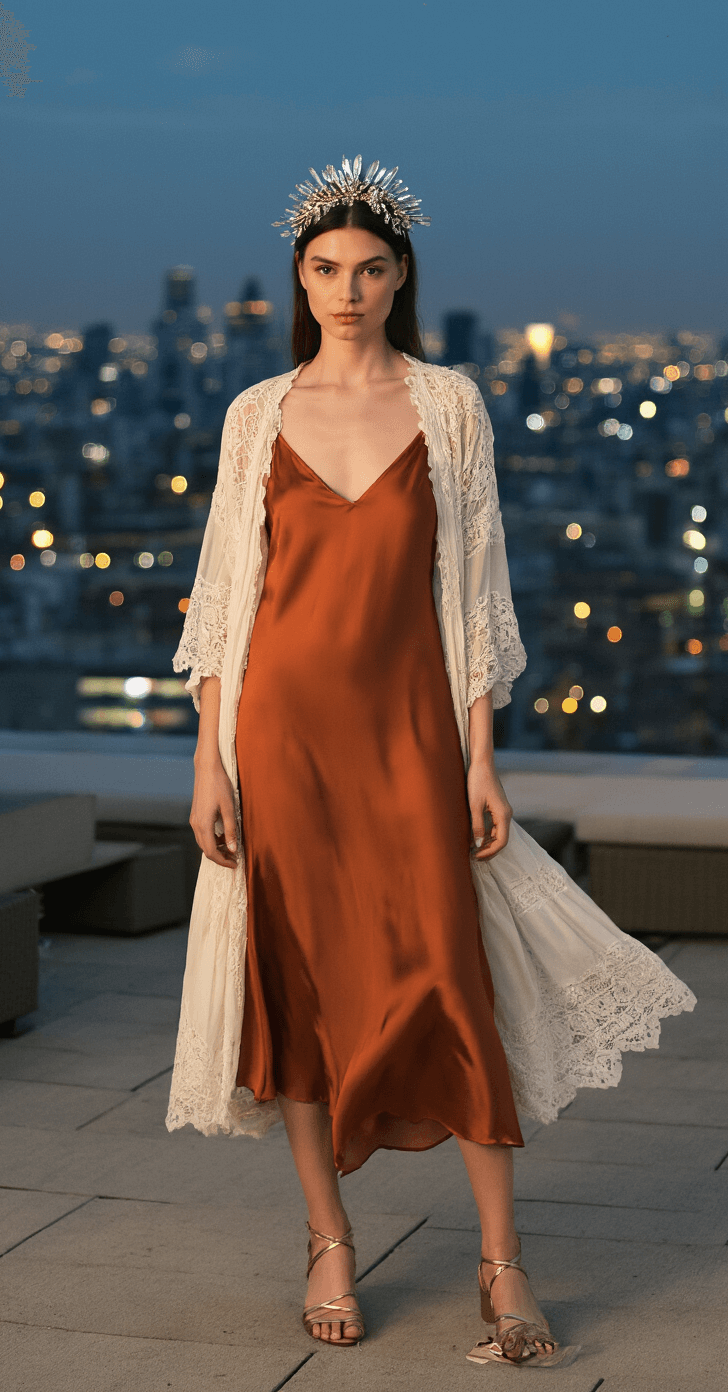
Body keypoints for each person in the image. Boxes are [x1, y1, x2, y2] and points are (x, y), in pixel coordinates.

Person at [167, 157, 696, 1368]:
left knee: (447, 982)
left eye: (368, 270)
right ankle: (328, 1240)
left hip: (408, 735)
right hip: (280, 734)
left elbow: (476, 591)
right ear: (299, 279)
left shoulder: (449, 404)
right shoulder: (257, 413)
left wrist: (480, 760)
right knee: (299, 986)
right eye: (324, 270)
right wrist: (209, 762)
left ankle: (502, 1261)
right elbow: (224, 597)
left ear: (400, 276)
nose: (346, 291)